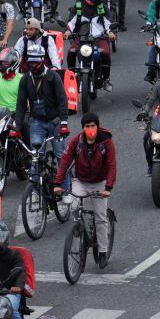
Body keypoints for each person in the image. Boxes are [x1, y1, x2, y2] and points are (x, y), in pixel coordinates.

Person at [53, 113, 116, 265]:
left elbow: (112, 166)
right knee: (74, 205)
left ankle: (102, 252)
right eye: (87, 126)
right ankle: (79, 228)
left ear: (97, 126)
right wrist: (57, 184)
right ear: (83, 128)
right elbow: (65, 162)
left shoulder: (106, 142)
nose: (90, 129)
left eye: (92, 125)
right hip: (80, 181)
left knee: (100, 218)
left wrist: (108, 187)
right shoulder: (76, 141)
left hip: (99, 183)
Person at [15, 56, 68, 171]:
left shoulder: (53, 76)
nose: (33, 66)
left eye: (36, 63)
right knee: (36, 157)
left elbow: (62, 100)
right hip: (37, 123)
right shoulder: (25, 79)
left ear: (42, 61)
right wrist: (17, 127)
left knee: (61, 157)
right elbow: (21, 104)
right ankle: (35, 188)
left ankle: (66, 188)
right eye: (31, 63)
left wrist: (63, 124)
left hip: (55, 122)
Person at [64, 0, 115, 87]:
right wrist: (68, 32)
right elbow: (71, 23)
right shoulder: (77, 8)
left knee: (105, 53)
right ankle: (71, 78)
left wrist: (110, 32)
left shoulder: (103, 8)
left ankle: (106, 79)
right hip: (81, 39)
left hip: (99, 39)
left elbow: (108, 23)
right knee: (71, 53)